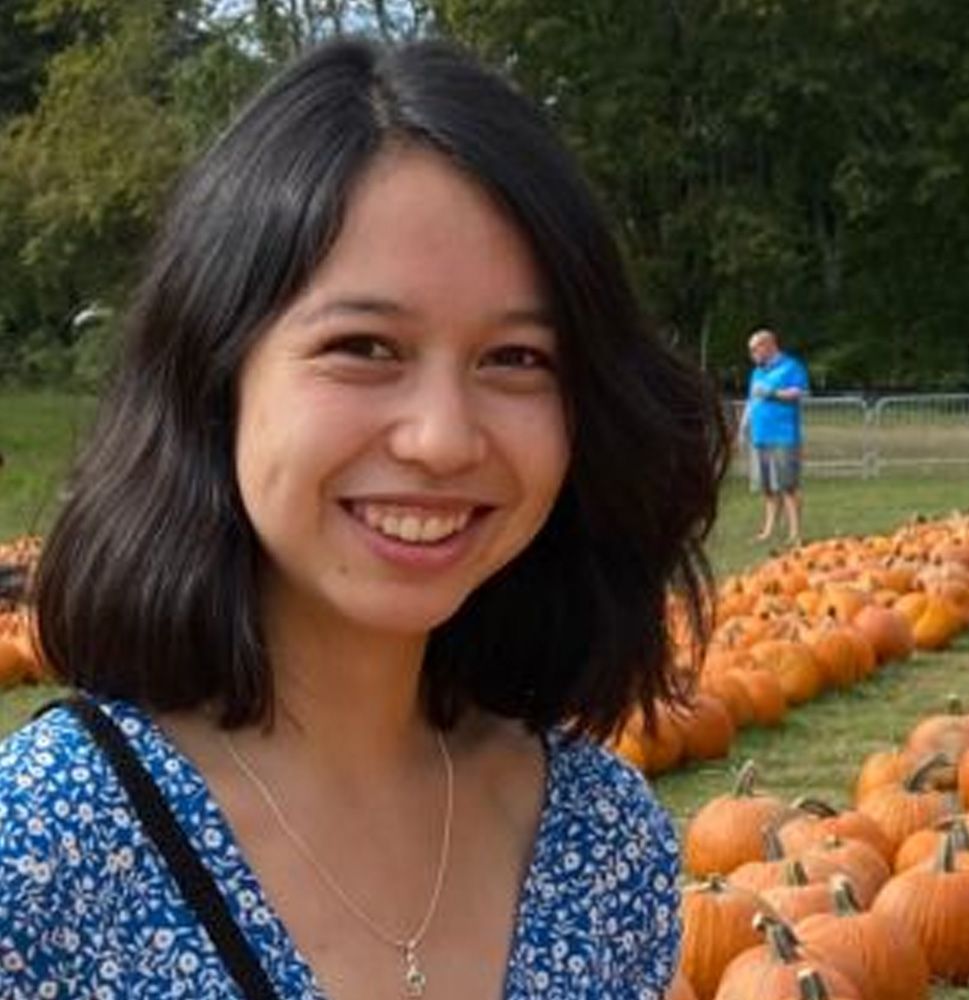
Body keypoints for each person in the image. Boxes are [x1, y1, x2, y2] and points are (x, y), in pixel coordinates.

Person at [0, 37, 727, 999]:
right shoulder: (43, 849)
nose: (442, 438)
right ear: (218, 378)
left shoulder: (602, 840)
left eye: (515, 359)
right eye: (365, 346)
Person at [741, 327, 809, 545]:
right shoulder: (757, 372)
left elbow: (800, 393)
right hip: (760, 435)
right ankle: (768, 531)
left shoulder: (791, 366)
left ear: (768, 346)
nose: (752, 356)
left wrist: (773, 393)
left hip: (784, 435)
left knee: (788, 486)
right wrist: (743, 427)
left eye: (754, 350)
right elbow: (751, 401)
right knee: (767, 488)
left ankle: (795, 534)